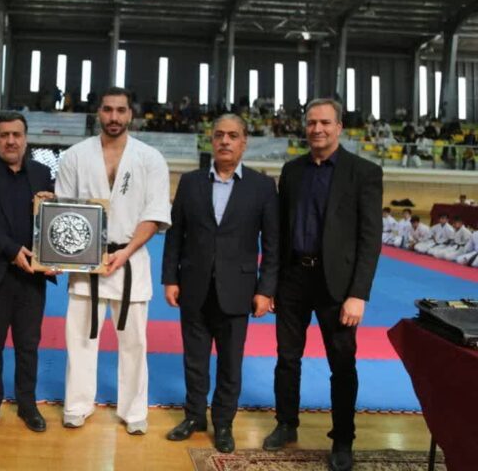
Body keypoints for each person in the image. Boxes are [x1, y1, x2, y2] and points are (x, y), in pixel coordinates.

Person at [263, 98, 382, 471]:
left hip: (339, 284)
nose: (317, 129)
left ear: (339, 127)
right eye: (312, 122)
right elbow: (279, 233)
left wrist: (358, 294)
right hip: (293, 278)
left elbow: (370, 239)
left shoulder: (363, 172)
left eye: (325, 122)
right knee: (287, 358)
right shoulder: (292, 171)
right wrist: (273, 283)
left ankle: (343, 438)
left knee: (342, 364)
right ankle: (286, 423)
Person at [54, 86, 171, 435]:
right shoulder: (75, 156)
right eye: (108, 109)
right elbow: (64, 210)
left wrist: (126, 251)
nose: (114, 117)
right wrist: (63, 251)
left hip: (130, 259)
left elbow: (155, 213)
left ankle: (134, 411)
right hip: (85, 261)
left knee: (134, 342)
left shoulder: (150, 158)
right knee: (80, 338)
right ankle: (77, 405)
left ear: (130, 114)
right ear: (98, 113)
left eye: (121, 110)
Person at [162, 114, 278, 453]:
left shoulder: (262, 186)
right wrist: (170, 278)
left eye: (233, 135)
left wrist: (266, 290)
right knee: (194, 360)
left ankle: (224, 423)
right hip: (193, 286)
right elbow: (176, 235)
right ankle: (194, 416)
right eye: (219, 135)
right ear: (211, 140)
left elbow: (272, 245)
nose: (225, 141)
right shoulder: (190, 182)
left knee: (230, 363)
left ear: (244, 142)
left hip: (238, 289)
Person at [0, 112, 55, 436]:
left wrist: (55, 247)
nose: (11, 141)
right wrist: (11, 250)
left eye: (16, 135)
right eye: (4, 135)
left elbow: (52, 219)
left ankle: (27, 404)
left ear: (25, 139)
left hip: (32, 274)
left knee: (28, 345)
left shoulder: (42, 173)